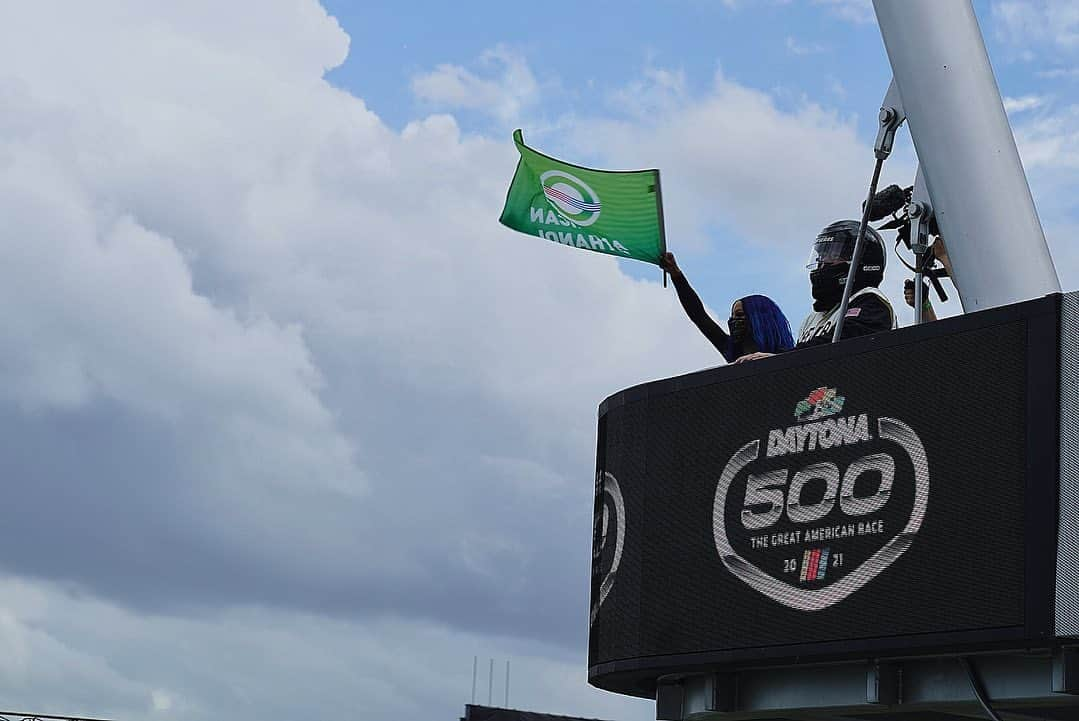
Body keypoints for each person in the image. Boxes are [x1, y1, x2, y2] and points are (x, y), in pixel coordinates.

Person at [735, 220, 896, 362]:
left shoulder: (871, 300)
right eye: (820, 257)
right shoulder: (811, 320)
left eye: (832, 255)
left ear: (860, 261)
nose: (822, 264)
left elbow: (849, 338)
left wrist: (784, 358)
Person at [659, 251, 794, 362]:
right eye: (732, 316)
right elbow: (699, 316)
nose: (733, 321)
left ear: (760, 319)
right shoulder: (731, 350)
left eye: (740, 315)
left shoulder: (791, 358)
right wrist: (676, 274)